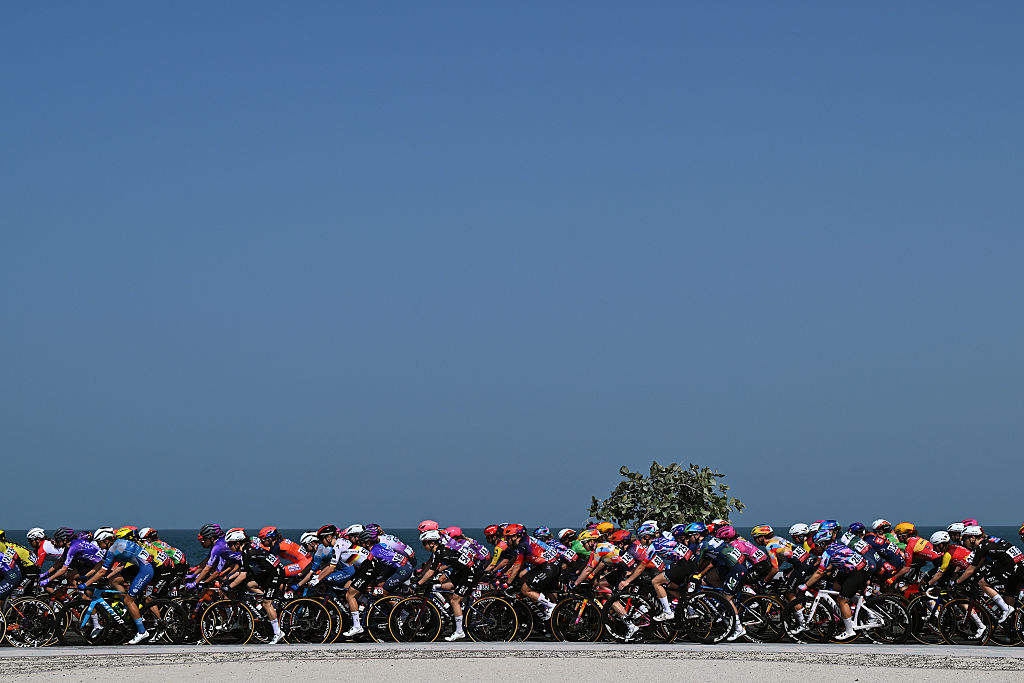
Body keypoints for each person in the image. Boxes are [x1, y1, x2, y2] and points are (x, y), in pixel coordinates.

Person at [81, 527, 155, 644]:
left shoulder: (113, 549)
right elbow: (102, 564)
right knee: (114, 580)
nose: (98, 545)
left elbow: (102, 571)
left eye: (99, 542)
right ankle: (127, 609)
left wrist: (86, 584)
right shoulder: (115, 545)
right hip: (139, 566)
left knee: (129, 600)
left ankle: (142, 632)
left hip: (145, 569)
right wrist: (87, 576)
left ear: (107, 540)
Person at [799, 530, 870, 641]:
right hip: (860, 568)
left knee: (842, 600)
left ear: (823, 543)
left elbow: (819, 573)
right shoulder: (837, 545)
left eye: (817, 545)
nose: (815, 548)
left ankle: (849, 631)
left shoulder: (827, 553)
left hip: (857, 572)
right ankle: (860, 604)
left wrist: (806, 585)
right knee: (836, 586)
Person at [343, 529, 413, 637]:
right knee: (379, 587)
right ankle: (394, 606)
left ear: (367, 542)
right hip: (401, 567)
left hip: (403, 570)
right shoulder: (380, 546)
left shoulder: (373, 552)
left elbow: (368, 567)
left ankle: (404, 613)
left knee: (381, 593)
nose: (360, 545)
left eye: (361, 542)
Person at [412, 529, 476, 641]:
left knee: (455, 601)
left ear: (432, 543)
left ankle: (459, 631)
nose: (423, 546)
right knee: (442, 586)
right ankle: (453, 610)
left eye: (424, 543)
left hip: (469, 574)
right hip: (461, 572)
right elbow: (437, 568)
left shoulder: (440, 552)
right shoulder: (440, 550)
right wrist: (423, 578)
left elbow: (432, 570)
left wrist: (419, 583)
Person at [223, 528, 285, 644]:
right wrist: (228, 579)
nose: (228, 546)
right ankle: (268, 599)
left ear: (237, 543)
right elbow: (242, 572)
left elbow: (242, 575)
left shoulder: (247, 552)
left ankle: (278, 633)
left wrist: (230, 587)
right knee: (249, 585)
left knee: (266, 604)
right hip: (269, 571)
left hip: (275, 572)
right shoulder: (247, 549)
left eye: (230, 544)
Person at [955, 525, 1022, 624]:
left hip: (1010, 566)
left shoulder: (982, 546)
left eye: (965, 539)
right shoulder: (989, 540)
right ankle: (1014, 626)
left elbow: (972, 569)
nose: (964, 542)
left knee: (983, 583)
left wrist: (957, 581)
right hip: (1019, 565)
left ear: (972, 538)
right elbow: (978, 563)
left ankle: (1005, 609)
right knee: (1008, 595)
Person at [501, 524, 560, 620]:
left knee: (525, 589)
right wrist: (503, 573)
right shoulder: (526, 540)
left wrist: (508, 583)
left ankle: (551, 607)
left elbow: (517, 566)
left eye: (507, 538)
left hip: (548, 567)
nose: (506, 541)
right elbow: (516, 561)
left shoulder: (522, 545)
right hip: (551, 565)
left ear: (515, 537)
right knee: (523, 579)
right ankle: (550, 611)